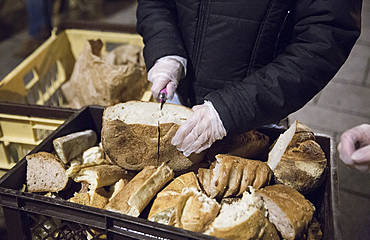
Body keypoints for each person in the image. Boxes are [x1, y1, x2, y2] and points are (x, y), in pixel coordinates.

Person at [136, 0, 363, 157]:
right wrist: (166, 52)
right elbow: (156, 4)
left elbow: (326, 36)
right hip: (179, 93)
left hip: (257, 114)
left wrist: (235, 108)